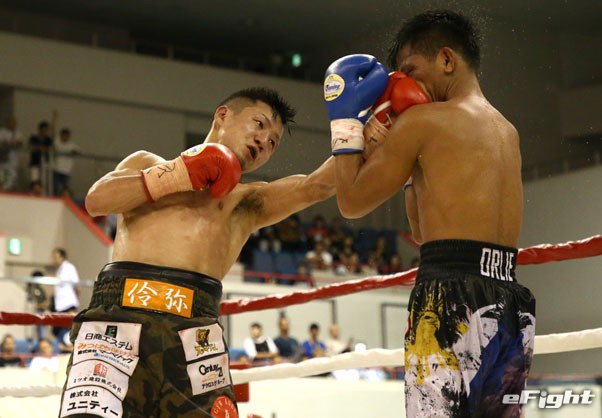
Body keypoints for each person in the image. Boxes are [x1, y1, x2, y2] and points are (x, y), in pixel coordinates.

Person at [57, 87, 368, 418]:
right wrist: (180, 174)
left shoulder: (247, 203)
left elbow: (316, 185)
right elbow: (97, 200)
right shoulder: (146, 162)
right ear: (223, 116)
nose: (264, 141)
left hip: (196, 335)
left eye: (273, 143)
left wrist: (364, 128)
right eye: (259, 124)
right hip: (117, 320)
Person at [324, 10, 535, 418]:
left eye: (409, 70)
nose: (402, 83)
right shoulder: (507, 131)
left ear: (446, 60)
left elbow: (350, 201)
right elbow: (422, 231)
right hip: (510, 299)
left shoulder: (423, 121)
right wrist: (411, 168)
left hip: (448, 296)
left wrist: (345, 124)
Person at [50, 247, 80, 349]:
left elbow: (77, 286)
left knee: (64, 333)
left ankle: (65, 351)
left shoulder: (69, 267)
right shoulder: (58, 271)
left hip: (68, 304)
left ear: (62, 257)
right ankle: (60, 350)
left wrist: (74, 305)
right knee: (56, 331)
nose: (53, 259)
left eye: (55, 257)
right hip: (59, 306)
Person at [53, 127, 80, 196]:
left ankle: (65, 198)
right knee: (55, 186)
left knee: (65, 187)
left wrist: (74, 152)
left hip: (66, 170)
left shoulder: (71, 145)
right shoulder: (57, 142)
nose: (65, 137)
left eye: (66, 136)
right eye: (63, 135)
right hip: (56, 168)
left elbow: (78, 151)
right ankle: (55, 197)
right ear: (61, 135)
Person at [0, 116, 24, 191]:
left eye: (14, 122)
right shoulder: (2, 132)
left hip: (13, 160)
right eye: (11, 122)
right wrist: (11, 143)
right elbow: (2, 143)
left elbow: (20, 143)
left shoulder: (18, 132)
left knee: (12, 179)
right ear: (7, 123)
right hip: (2, 159)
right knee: (1, 178)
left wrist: (9, 143)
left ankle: (4, 191)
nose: (13, 124)